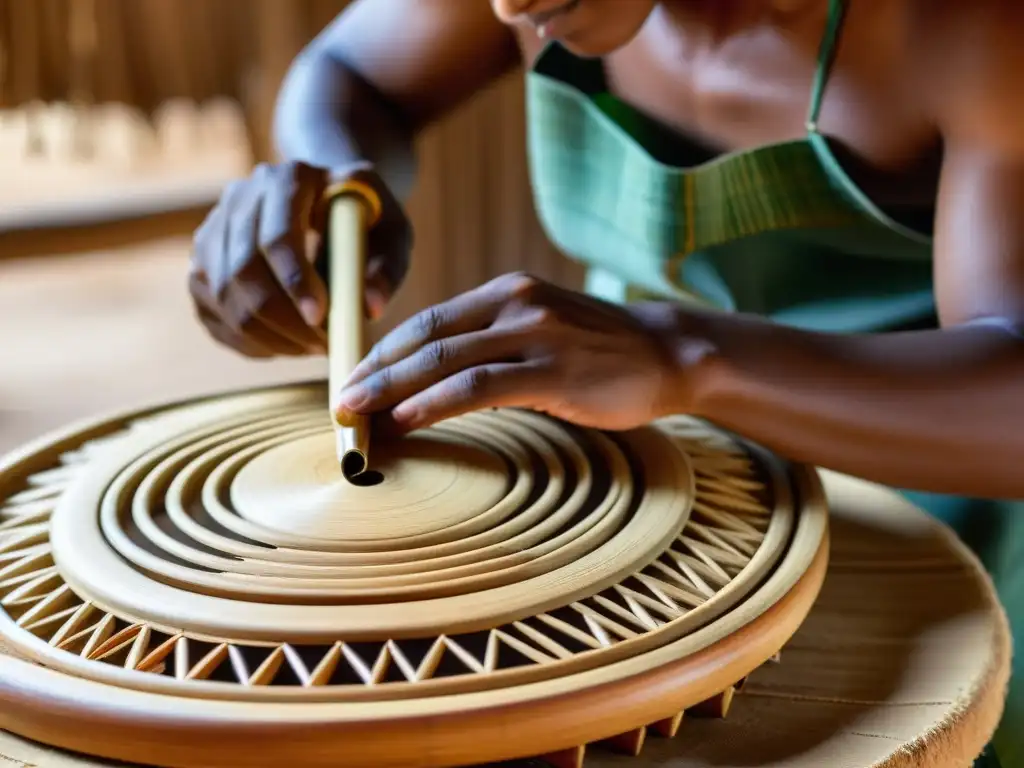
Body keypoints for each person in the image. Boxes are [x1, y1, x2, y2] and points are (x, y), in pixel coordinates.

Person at [189, 1, 1022, 764]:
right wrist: (329, 192)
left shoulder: (963, 28)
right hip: (653, 505)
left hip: (937, 528)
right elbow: (350, 71)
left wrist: (684, 356)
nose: (509, 8)